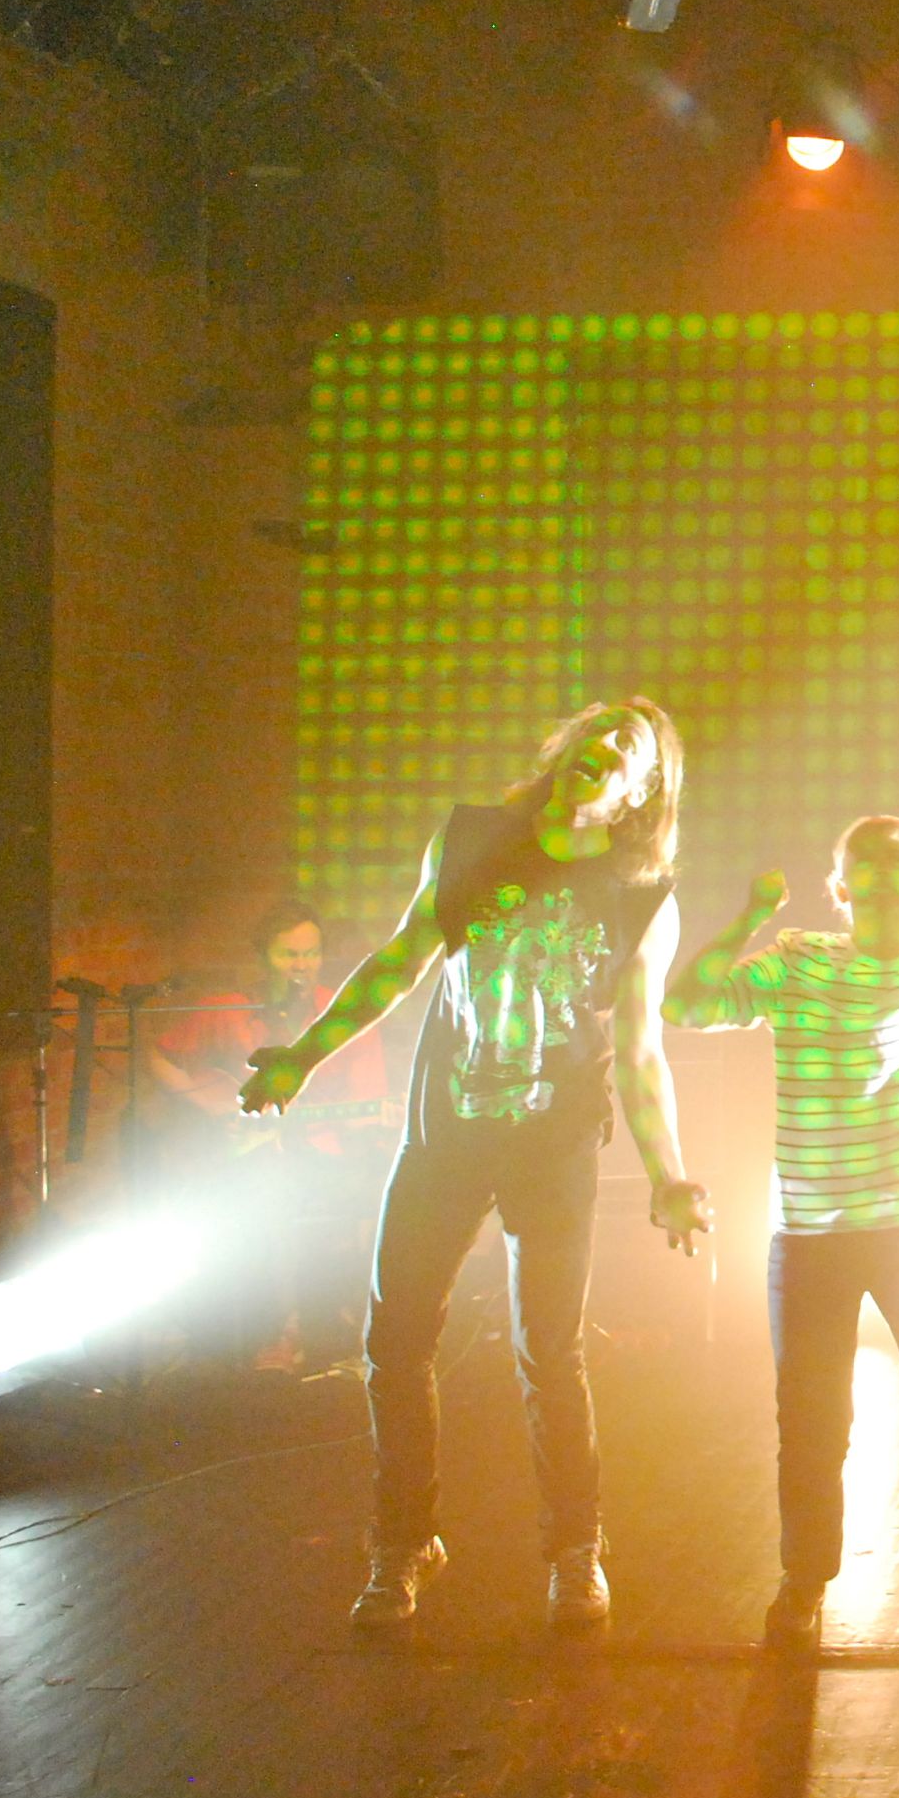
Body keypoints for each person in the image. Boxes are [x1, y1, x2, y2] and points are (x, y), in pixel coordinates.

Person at [241, 699, 713, 1631]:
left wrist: (670, 1175)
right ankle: (403, 1543)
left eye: (627, 744)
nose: (602, 745)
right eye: (596, 730)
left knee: (550, 1352)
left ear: (642, 789)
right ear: (564, 747)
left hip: (553, 1145)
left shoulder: (641, 895)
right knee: (395, 1342)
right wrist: (302, 1055)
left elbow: (640, 1048)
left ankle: (575, 1549)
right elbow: (398, 962)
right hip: (445, 1134)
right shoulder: (471, 840)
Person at [663, 818, 899, 1655]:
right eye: (862, 871)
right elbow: (685, 1004)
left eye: (897, 866)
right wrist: (747, 918)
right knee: (811, 1423)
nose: (879, 881)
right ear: (839, 890)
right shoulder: (799, 960)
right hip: (814, 1235)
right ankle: (804, 1583)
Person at [146, 899, 391, 1370]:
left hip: (323, 1152)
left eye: (311, 953)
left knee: (339, 1219)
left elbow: (369, 1096)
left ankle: (320, 1333)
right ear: (262, 957)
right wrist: (211, 1106)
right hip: (243, 1159)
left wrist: (372, 1124)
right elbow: (160, 1055)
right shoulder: (229, 1009)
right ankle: (258, 1337)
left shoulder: (342, 1013)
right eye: (288, 954)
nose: (302, 965)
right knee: (252, 1224)